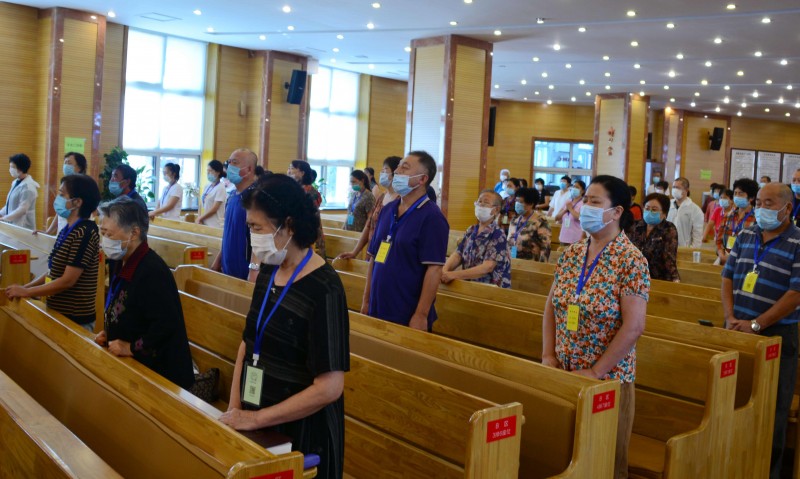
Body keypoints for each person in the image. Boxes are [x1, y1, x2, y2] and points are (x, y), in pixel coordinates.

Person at [219, 174, 349, 479]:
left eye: (256, 228)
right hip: (257, 418)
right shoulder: (269, 268)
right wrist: (236, 409)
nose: (252, 237)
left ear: (288, 226)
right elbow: (248, 341)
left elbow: (330, 387)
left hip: (302, 435)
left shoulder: (325, 287)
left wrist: (256, 418)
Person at [542, 175, 649, 479]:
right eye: (585, 199)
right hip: (564, 372)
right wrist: (548, 355)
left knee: (603, 465)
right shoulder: (572, 253)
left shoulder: (631, 260)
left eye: (594, 202)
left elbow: (634, 327)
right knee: (565, 461)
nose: (585, 206)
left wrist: (595, 372)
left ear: (616, 212)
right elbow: (552, 306)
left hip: (607, 382)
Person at [722, 183, 800, 479]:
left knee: (773, 413)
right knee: (733, 403)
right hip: (736, 330)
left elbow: (796, 293)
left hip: (777, 336)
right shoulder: (746, 234)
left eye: (769, 203)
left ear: (787, 208)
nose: (761, 208)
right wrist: (730, 317)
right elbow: (727, 277)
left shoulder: (797, 241)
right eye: (759, 202)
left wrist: (758, 324)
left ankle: (768, 472)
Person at [94, 196, 194, 390]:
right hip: (132, 365)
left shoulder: (152, 270)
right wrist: (110, 333)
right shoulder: (120, 259)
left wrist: (130, 348)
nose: (104, 240)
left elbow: (166, 324)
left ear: (134, 233)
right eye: (102, 232)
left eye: (109, 234)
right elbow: (126, 306)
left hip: (161, 373)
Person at [363, 151, 449, 331]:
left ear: (422, 179)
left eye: (405, 167)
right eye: (399, 166)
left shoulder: (432, 217)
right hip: (378, 305)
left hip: (406, 310)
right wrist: (366, 300)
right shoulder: (388, 210)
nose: (397, 171)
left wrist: (421, 315)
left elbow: (434, 269)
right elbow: (374, 258)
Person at [6, 175, 102, 331]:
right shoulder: (68, 229)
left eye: (62, 195)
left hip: (75, 318)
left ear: (77, 202)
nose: (57, 198)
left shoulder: (85, 232)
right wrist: (26, 288)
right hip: (59, 313)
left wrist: (27, 291)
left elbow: (67, 280)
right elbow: (53, 272)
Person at [441, 190, 511, 288]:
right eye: (479, 201)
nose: (481, 205)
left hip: (490, 290)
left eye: (486, 202)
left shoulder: (498, 234)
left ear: (496, 210)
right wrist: (444, 270)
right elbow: (458, 255)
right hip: (468, 285)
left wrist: (454, 275)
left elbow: (488, 267)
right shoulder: (471, 230)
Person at [336, 156, 401, 260]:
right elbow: (369, 225)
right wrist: (354, 252)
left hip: (388, 251)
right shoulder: (382, 197)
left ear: (396, 173)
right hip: (373, 247)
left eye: (385, 170)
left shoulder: (400, 200)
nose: (382, 173)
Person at [211, 148, 259, 281]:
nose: (229, 166)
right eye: (229, 162)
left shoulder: (255, 198)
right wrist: (218, 259)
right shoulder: (232, 195)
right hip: (227, 268)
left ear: (249, 170)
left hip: (245, 272)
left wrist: (253, 270)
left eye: (234, 162)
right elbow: (228, 232)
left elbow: (259, 239)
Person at [628, 193, 680, 282]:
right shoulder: (635, 226)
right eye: (647, 208)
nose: (649, 212)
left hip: (657, 278)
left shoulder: (668, 228)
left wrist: (675, 279)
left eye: (654, 209)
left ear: (664, 213)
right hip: (633, 277)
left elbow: (669, 257)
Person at [38, 152, 88, 235]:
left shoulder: (84, 186)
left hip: (75, 233)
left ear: (79, 168)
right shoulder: (65, 184)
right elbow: (59, 212)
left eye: (69, 163)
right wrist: (48, 232)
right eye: (65, 162)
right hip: (62, 233)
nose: (66, 166)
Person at [287, 160, 326, 259]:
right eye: (289, 168)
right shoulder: (293, 189)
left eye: (292, 168)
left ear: (302, 173)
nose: (289, 171)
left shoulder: (312, 193)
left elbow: (307, 216)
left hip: (308, 232)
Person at [716, 178, 758, 266]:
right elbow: (719, 239)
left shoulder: (756, 219)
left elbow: (754, 245)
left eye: (740, 194)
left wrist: (733, 258)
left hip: (744, 263)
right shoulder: (728, 216)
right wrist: (721, 255)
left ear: (751, 197)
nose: (737, 196)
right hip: (724, 259)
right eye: (735, 193)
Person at [508, 188, 551, 261]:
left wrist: (542, 267)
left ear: (531, 204)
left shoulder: (540, 222)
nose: (517, 204)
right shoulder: (514, 220)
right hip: (511, 261)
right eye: (516, 201)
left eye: (520, 202)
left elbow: (545, 247)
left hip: (530, 264)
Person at [0, 153, 39, 230]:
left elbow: (22, 209)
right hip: (13, 224)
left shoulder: (28, 187)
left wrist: (5, 218)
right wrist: (1, 213)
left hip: (23, 226)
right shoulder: (16, 182)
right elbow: (10, 204)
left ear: (21, 169)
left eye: (12, 167)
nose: (10, 169)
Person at [666, 177, 704, 248]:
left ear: (686, 190)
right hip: (666, 246)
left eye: (677, 187)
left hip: (684, 248)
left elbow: (697, 235)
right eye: (673, 187)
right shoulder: (667, 205)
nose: (674, 190)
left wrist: (692, 251)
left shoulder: (695, 210)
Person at [196, 160, 227, 228]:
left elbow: (214, 208)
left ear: (218, 172)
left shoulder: (221, 187)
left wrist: (201, 218)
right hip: (204, 222)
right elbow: (201, 203)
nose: (208, 173)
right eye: (207, 170)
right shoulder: (207, 186)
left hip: (215, 224)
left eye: (210, 171)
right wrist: (199, 217)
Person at [556, 180, 585, 245]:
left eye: (577, 187)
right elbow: (556, 218)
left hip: (576, 239)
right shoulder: (568, 201)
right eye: (573, 186)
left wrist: (570, 209)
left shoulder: (583, 203)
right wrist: (565, 210)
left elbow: (580, 218)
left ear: (582, 191)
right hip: (563, 238)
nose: (574, 189)